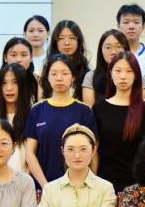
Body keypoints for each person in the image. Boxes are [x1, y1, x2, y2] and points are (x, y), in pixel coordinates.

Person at [25, 55, 98, 187]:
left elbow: (93, 153)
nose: (59, 78)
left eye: (64, 73)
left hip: (77, 185)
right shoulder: (37, 110)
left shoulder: (84, 111)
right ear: (47, 77)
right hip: (43, 185)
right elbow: (30, 153)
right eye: (54, 74)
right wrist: (46, 186)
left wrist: (85, 184)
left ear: (73, 77)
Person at [93, 51, 145, 194]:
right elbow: (96, 150)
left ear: (136, 75)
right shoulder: (99, 108)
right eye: (118, 71)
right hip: (106, 184)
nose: (123, 76)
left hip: (140, 185)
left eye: (129, 71)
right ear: (110, 74)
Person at [35, 124, 116, 207]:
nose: (77, 155)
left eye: (83, 149)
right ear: (62, 151)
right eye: (70, 149)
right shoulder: (50, 188)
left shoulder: (105, 188)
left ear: (93, 150)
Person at [0, 37, 39, 106]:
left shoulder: (37, 84)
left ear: (31, 58)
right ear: (5, 58)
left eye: (24, 55)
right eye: (13, 55)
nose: (19, 60)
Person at [41, 19, 90, 96]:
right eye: (61, 38)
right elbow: (41, 100)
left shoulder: (87, 72)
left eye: (72, 38)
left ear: (78, 41)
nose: (67, 43)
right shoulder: (45, 69)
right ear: (55, 42)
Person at [82, 29, 130, 107]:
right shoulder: (91, 76)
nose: (113, 52)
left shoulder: (137, 75)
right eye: (108, 47)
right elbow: (89, 110)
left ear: (126, 49)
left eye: (118, 46)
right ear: (101, 51)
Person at [116, 3, 145, 73]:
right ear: (118, 26)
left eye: (136, 22)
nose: (131, 26)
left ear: (143, 27)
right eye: (126, 22)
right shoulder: (113, 53)